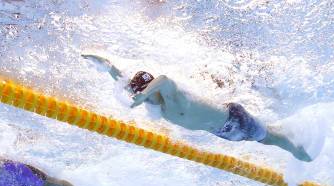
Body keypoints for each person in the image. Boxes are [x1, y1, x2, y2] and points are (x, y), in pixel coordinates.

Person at [81, 54, 312, 162]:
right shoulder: (155, 104)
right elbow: (121, 79)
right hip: (221, 130)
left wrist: (145, 94)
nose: (144, 100)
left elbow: (164, 78)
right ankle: (290, 132)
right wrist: (107, 66)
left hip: (233, 118)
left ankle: (299, 149)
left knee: (268, 138)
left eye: (145, 94)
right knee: (263, 136)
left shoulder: (171, 97)